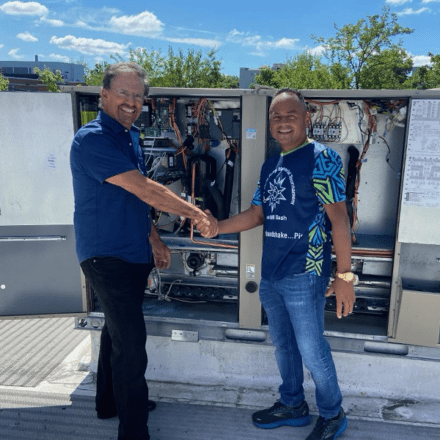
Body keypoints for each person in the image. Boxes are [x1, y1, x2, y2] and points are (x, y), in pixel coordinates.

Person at [70, 61, 215, 440]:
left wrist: (154, 238)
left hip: (132, 252)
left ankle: (109, 402)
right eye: (124, 93)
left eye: (138, 95)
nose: (132, 101)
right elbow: (147, 189)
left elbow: (132, 196)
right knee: (131, 343)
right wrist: (195, 212)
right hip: (106, 255)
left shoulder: (128, 135)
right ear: (104, 95)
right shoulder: (94, 138)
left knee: (116, 334)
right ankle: (133, 431)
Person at [202, 88, 355, 440]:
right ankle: (293, 405)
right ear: (269, 122)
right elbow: (258, 214)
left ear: (306, 118)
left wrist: (345, 276)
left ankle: (333, 414)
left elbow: (340, 220)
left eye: (290, 115)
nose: (283, 122)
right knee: (284, 345)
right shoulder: (271, 164)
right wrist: (218, 227)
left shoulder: (322, 159)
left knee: (312, 350)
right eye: (276, 116)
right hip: (271, 272)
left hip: (305, 271)